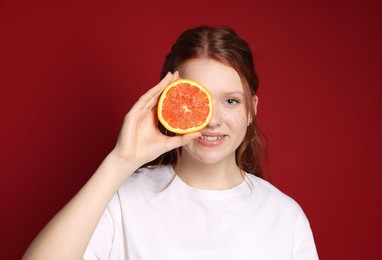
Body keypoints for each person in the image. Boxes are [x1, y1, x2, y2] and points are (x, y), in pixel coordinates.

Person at [23, 26, 318, 260]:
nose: (212, 119)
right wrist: (121, 161)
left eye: (230, 100)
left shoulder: (284, 217)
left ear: (251, 108)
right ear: (166, 101)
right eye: (193, 99)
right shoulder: (124, 200)